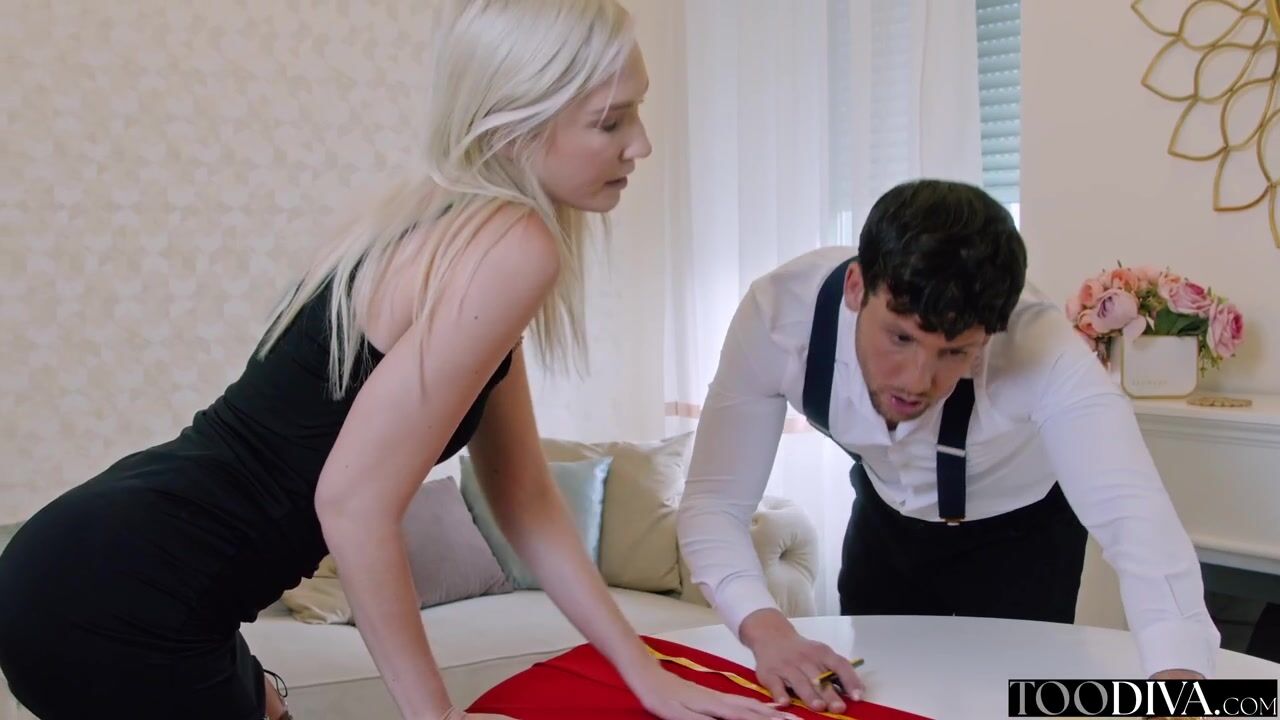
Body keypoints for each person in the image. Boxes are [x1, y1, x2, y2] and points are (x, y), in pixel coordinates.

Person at [0, 2, 795, 719]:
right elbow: (352, 503)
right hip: (126, 599)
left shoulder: (449, 228)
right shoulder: (508, 246)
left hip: (90, 565)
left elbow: (522, 497)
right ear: (515, 125)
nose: (641, 144)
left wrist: (645, 672)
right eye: (611, 121)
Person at [676, 179, 1221, 715]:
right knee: (878, 701)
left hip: (1024, 537)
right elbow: (714, 503)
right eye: (901, 338)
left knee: (1007, 706)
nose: (917, 381)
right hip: (886, 525)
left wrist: (1178, 687)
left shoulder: (1043, 349)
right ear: (857, 287)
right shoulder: (779, 318)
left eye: (955, 352)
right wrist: (766, 628)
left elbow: (1135, 518)